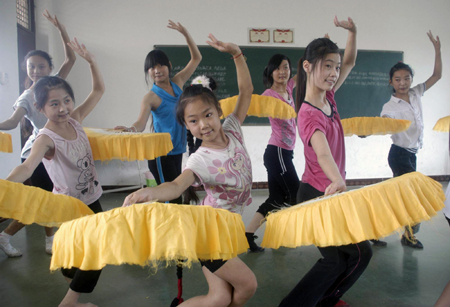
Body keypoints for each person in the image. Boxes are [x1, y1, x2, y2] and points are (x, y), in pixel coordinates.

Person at [123, 34, 257, 307]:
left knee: (218, 297)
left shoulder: (232, 128)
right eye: (193, 121)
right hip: (210, 234)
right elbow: (175, 185)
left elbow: (246, 92)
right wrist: (151, 193)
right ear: (187, 126)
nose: (203, 125)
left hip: (229, 229)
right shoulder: (199, 159)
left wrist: (237, 54)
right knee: (247, 284)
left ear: (218, 111)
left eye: (208, 115)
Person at [278, 17, 373, 307]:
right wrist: (338, 180)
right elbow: (322, 153)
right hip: (319, 195)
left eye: (335, 66)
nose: (333, 72)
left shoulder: (328, 97)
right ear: (307, 67)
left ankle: (323, 299)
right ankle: (316, 301)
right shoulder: (308, 113)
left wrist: (353, 32)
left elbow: (351, 62)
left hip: (327, 192)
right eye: (327, 66)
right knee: (358, 253)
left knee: (340, 258)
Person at [6, 38, 104, 307]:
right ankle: (70, 302)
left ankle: (71, 282)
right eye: (53, 104)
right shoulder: (45, 137)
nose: (63, 108)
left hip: (92, 197)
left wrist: (92, 62)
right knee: (99, 250)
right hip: (69, 206)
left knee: (82, 259)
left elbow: (98, 90)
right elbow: (27, 166)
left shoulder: (76, 119)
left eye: (66, 100)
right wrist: (4, 185)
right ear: (40, 108)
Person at [0, 10, 76, 257]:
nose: (36, 71)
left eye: (41, 66)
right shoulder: (26, 96)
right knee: (45, 201)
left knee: (44, 201)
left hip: (58, 148)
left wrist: (60, 28)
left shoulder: (54, 84)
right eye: (31, 67)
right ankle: (48, 241)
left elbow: (71, 59)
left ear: (49, 68)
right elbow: (12, 122)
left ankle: (9, 236)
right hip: (37, 153)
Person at [116, 20, 201, 204]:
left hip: (177, 150)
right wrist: (130, 129)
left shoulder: (177, 83)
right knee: (170, 198)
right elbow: (140, 124)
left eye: (160, 65)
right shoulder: (150, 97)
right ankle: (168, 231)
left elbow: (196, 58)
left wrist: (185, 33)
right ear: (149, 72)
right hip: (161, 154)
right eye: (152, 67)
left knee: (175, 196)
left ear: (168, 65)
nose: (157, 70)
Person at [381, 31, 442, 249]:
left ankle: (379, 228)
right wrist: (364, 130)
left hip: (412, 154)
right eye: (398, 79)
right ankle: (408, 234)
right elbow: (381, 126)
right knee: (411, 194)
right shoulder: (389, 107)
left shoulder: (416, 93)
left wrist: (437, 49)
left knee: (400, 196)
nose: (403, 82)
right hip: (398, 155)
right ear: (391, 82)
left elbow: (436, 75)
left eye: (407, 78)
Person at [245, 54, 299, 252]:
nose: (282, 72)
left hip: (285, 153)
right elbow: (250, 108)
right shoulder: (269, 94)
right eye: (277, 68)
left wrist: (318, 52)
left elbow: (304, 71)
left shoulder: (289, 89)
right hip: (277, 152)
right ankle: (281, 236)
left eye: (286, 67)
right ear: (271, 72)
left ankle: (248, 235)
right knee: (295, 194)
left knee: (276, 199)